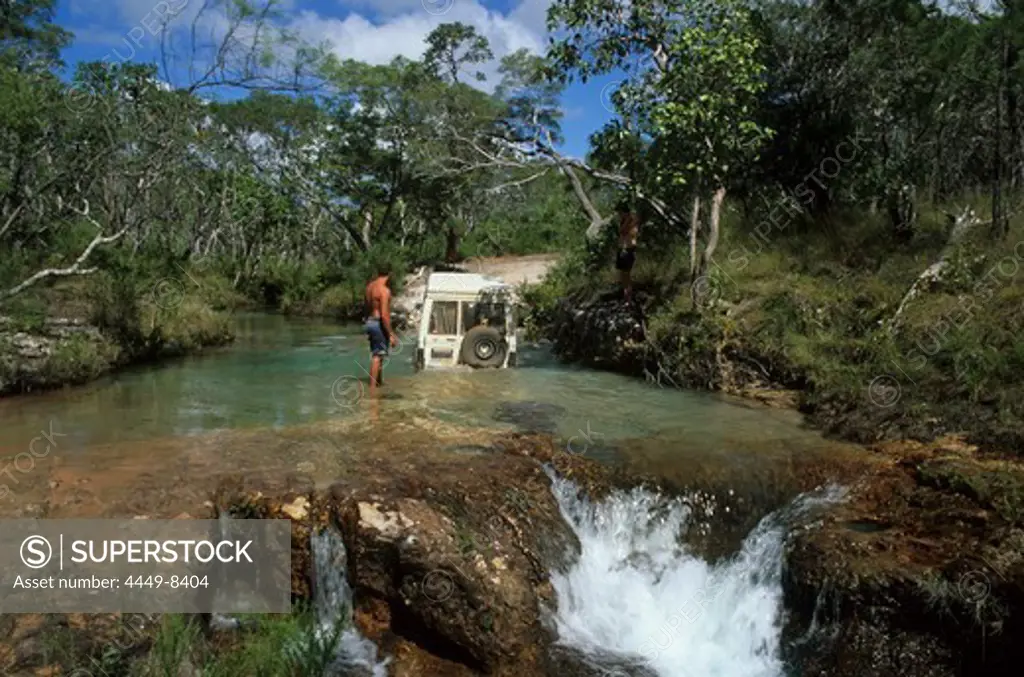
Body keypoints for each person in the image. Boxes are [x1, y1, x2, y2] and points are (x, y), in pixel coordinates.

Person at [364, 263, 398, 388]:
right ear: (390, 274)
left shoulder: (370, 287)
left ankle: (379, 383)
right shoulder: (384, 291)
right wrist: (391, 334)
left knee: (379, 354)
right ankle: (373, 388)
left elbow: (367, 307)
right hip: (379, 323)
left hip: (370, 321)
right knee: (377, 356)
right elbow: (384, 314)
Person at [615, 199, 640, 303]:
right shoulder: (623, 221)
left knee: (626, 273)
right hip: (622, 248)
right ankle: (626, 295)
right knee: (623, 274)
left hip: (628, 248)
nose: (619, 215)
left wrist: (627, 222)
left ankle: (629, 297)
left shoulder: (631, 220)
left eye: (620, 213)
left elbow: (631, 233)